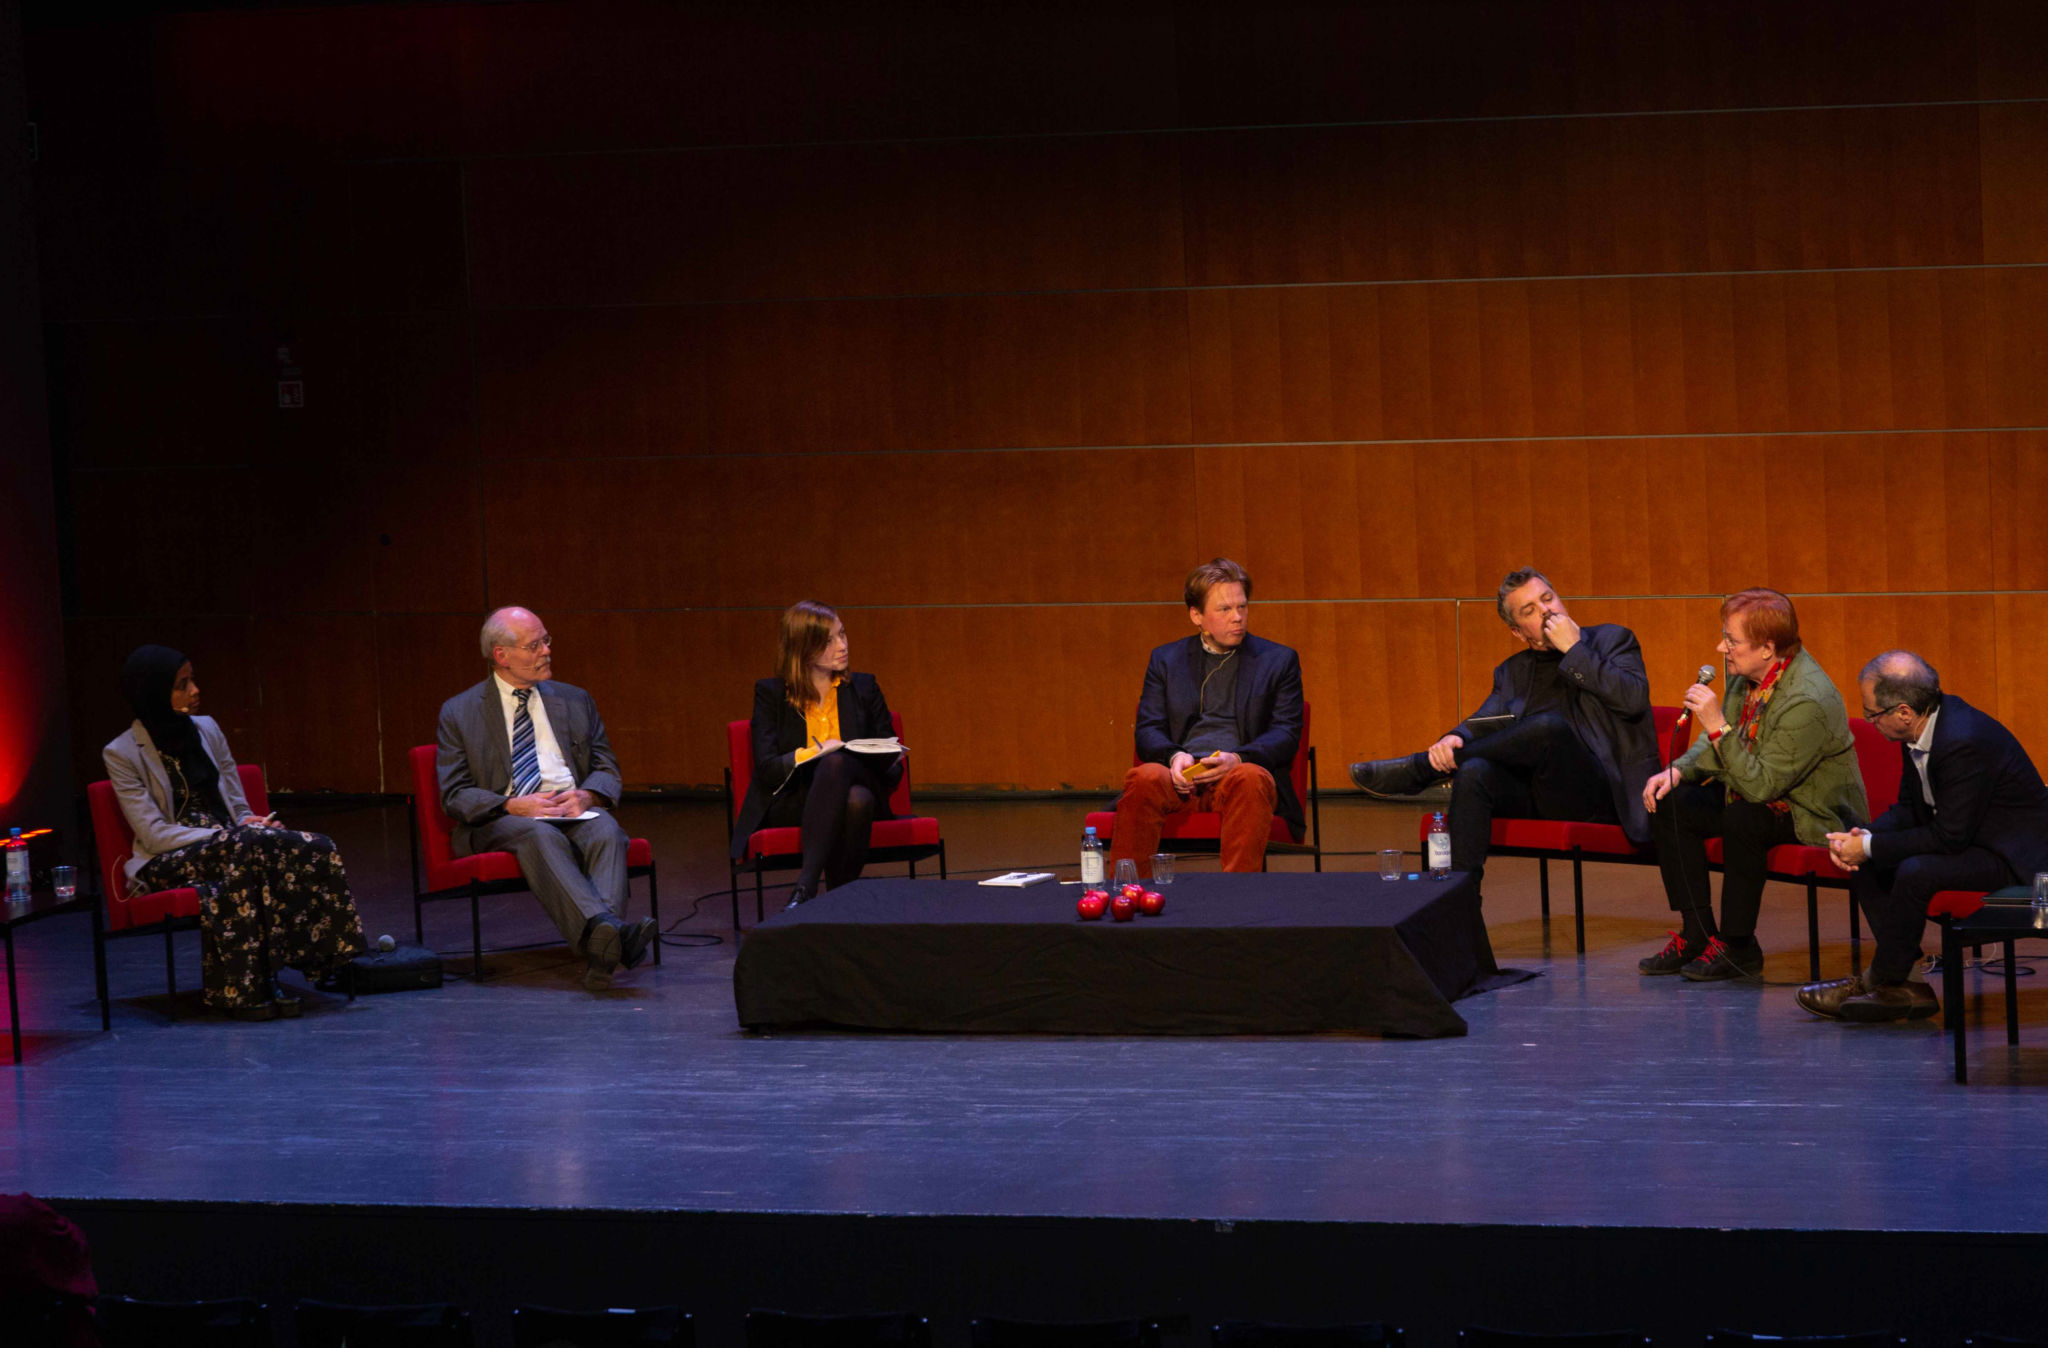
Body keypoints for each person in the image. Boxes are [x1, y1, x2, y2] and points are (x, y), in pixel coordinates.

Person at [1348, 568, 1658, 886]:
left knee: (1548, 729)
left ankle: (1422, 770)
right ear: (1517, 632)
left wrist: (1575, 650)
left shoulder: (1613, 640)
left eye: (1548, 599)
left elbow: (1633, 700)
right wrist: (1454, 738)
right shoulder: (1513, 672)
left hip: (1602, 795)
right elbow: (1481, 722)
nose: (1546, 610)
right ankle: (1459, 901)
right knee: (1475, 771)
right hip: (1540, 796)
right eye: (1530, 611)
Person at [103, 645, 366, 1021]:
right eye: (182, 684)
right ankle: (251, 985)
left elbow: (236, 808)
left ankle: (325, 962)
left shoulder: (207, 729)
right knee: (247, 850)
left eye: (193, 680)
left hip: (232, 844)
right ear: (154, 691)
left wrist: (251, 823)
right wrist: (226, 836)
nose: (195, 691)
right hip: (168, 856)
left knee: (315, 845)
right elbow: (154, 833)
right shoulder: (122, 752)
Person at [1797, 652, 2048, 1022]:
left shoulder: (1963, 740)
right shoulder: (1920, 727)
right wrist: (1864, 837)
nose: (1870, 722)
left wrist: (1867, 847)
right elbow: (1909, 809)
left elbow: (1949, 837)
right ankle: (1905, 987)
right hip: (1973, 841)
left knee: (1916, 870)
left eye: (1872, 715)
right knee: (1870, 863)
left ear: (1902, 712)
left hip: (2013, 857)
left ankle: (1878, 980)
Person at [1640, 589, 1867, 981]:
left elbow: (1761, 787)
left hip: (1810, 810)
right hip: (1754, 784)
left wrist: (1715, 725)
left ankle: (1739, 944)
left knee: (1743, 817)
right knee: (1672, 802)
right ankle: (1697, 933)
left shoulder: (1807, 699)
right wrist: (1678, 771)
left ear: (1767, 648)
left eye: (1732, 640)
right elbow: (1720, 744)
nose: (1721, 647)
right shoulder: (1746, 675)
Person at [436, 607, 656, 992]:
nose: (546, 651)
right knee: (539, 835)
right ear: (501, 655)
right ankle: (611, 936)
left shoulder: (575, 700)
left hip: (570, 808)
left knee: (607, 830)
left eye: (546, 640)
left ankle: (601, 948)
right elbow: (454, 793)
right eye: (534, 645)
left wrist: (587, 795)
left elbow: (606, 765)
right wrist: (511, 805)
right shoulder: (460, 711)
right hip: (501, 818)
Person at [1107, 559, 1304, 876]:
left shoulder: (1278, 660)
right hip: (1182, 778)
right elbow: (1148, 731)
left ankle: (1237, 900)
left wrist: (1237, 758)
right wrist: (1174, 757)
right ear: (1196, 615)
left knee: (1250, 777)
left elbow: (1285, 734)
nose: (1237, 617)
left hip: (1238, 777)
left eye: (1242, 606)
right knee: (1143, 778)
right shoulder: (1166, 660)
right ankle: (1128, 893)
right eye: (1225, 609)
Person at [730, 601, 904, 910]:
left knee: (840, 766)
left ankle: (805, 888)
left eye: (843, 634)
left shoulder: (864, 688)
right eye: (829, 641)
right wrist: (814, 752)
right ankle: (839, 904)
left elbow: (892, 769)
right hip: (798, 799)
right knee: (855, 799)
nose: (842, 646)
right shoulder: (771, 695)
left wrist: (880, 758)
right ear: (803, 648)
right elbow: (768, 768)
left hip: (868, 782)